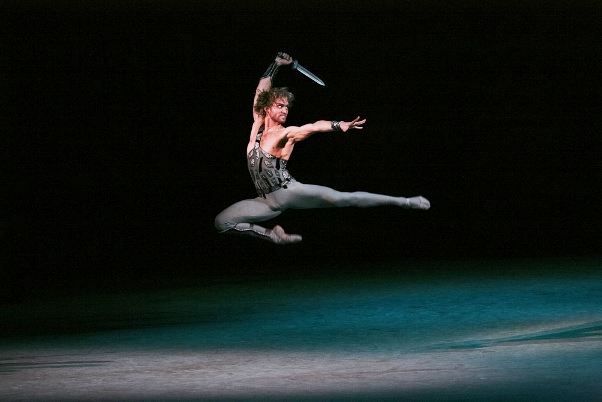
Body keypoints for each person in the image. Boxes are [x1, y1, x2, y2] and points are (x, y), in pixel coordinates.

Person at [214, 52, 430, 244]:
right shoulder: (258, 125)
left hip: (289, 192)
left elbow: (313, 126)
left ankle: (406, 202)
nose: (285, 110)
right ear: (267, 107)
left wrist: (338, 125)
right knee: (222, 222)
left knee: (343, 198)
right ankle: (273, 236)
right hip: (265, 202)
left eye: (287, 107)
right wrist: (276, 64)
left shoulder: (286, 133)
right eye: (280, 106)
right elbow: (261, 88)